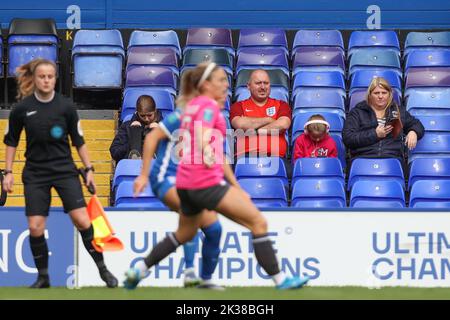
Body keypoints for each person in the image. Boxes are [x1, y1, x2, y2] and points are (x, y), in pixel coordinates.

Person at [123, 62, 310, 290]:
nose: (225, 85)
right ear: (206, 85)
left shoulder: (193, 107)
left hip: (185, 184)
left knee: (186, 232)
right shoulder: (208, 107)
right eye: (220, 80)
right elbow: (203, 135)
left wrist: (233, 183)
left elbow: (217, 153)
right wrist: (206, 149)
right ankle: (281, 280)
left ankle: (140, 270)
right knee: (258, 222)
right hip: (201, 183)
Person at [2, 58, 118, 289]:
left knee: (83, 220)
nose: (46, 80)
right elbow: (11, 142)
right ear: (34, 79)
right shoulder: (21, 110)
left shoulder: (66, 107)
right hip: (35, 173)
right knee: (35, 226)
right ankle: (43, 277)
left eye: (50, 76)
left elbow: (79, 141)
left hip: (64, 171)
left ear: (55, 79)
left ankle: (103, 270)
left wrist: (89, 170)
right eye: (42, 76)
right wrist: (8, 172)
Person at [132, 106, 223, 289]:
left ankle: (204, 279)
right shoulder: (181, 115)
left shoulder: (212, 119)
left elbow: (210, 155)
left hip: (193, 180)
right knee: (192, 216)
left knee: (214, 229)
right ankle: (189, 271)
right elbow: (152, 137)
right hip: (168, 177)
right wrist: (143, 175)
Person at [343, 77, 424, 161]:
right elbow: (348, 138)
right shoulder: (358, 112)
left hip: (392, 160)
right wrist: (375, 134)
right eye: (376, 93)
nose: (380, 96)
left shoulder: (398, 111)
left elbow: (418, 125)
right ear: (370, 95)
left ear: (389, 94)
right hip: (363, 158)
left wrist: (413, 132)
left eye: (384, 93)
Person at [230, 69, 291, 160]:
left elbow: (283, 124)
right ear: (248, 86)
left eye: (266, 83)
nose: (263, 87)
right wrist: (268, 120)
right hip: (245, 158)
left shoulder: (282, 105)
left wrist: (254, 130)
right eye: (258, 83)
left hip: (275, 158)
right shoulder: (238, 106)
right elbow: (240, 124)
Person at [110, 95, 161, 162]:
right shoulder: (127, 126)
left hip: (160, 167)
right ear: (137, 112)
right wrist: (133, 141)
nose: (146, 119)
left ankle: (153, 157)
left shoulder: (166, 125)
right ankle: (134, 156)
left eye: (149, 115)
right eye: (142, 116)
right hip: (131, 168)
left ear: (155, 111)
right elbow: (114, 152)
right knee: (135, 137)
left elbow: (175, 152)